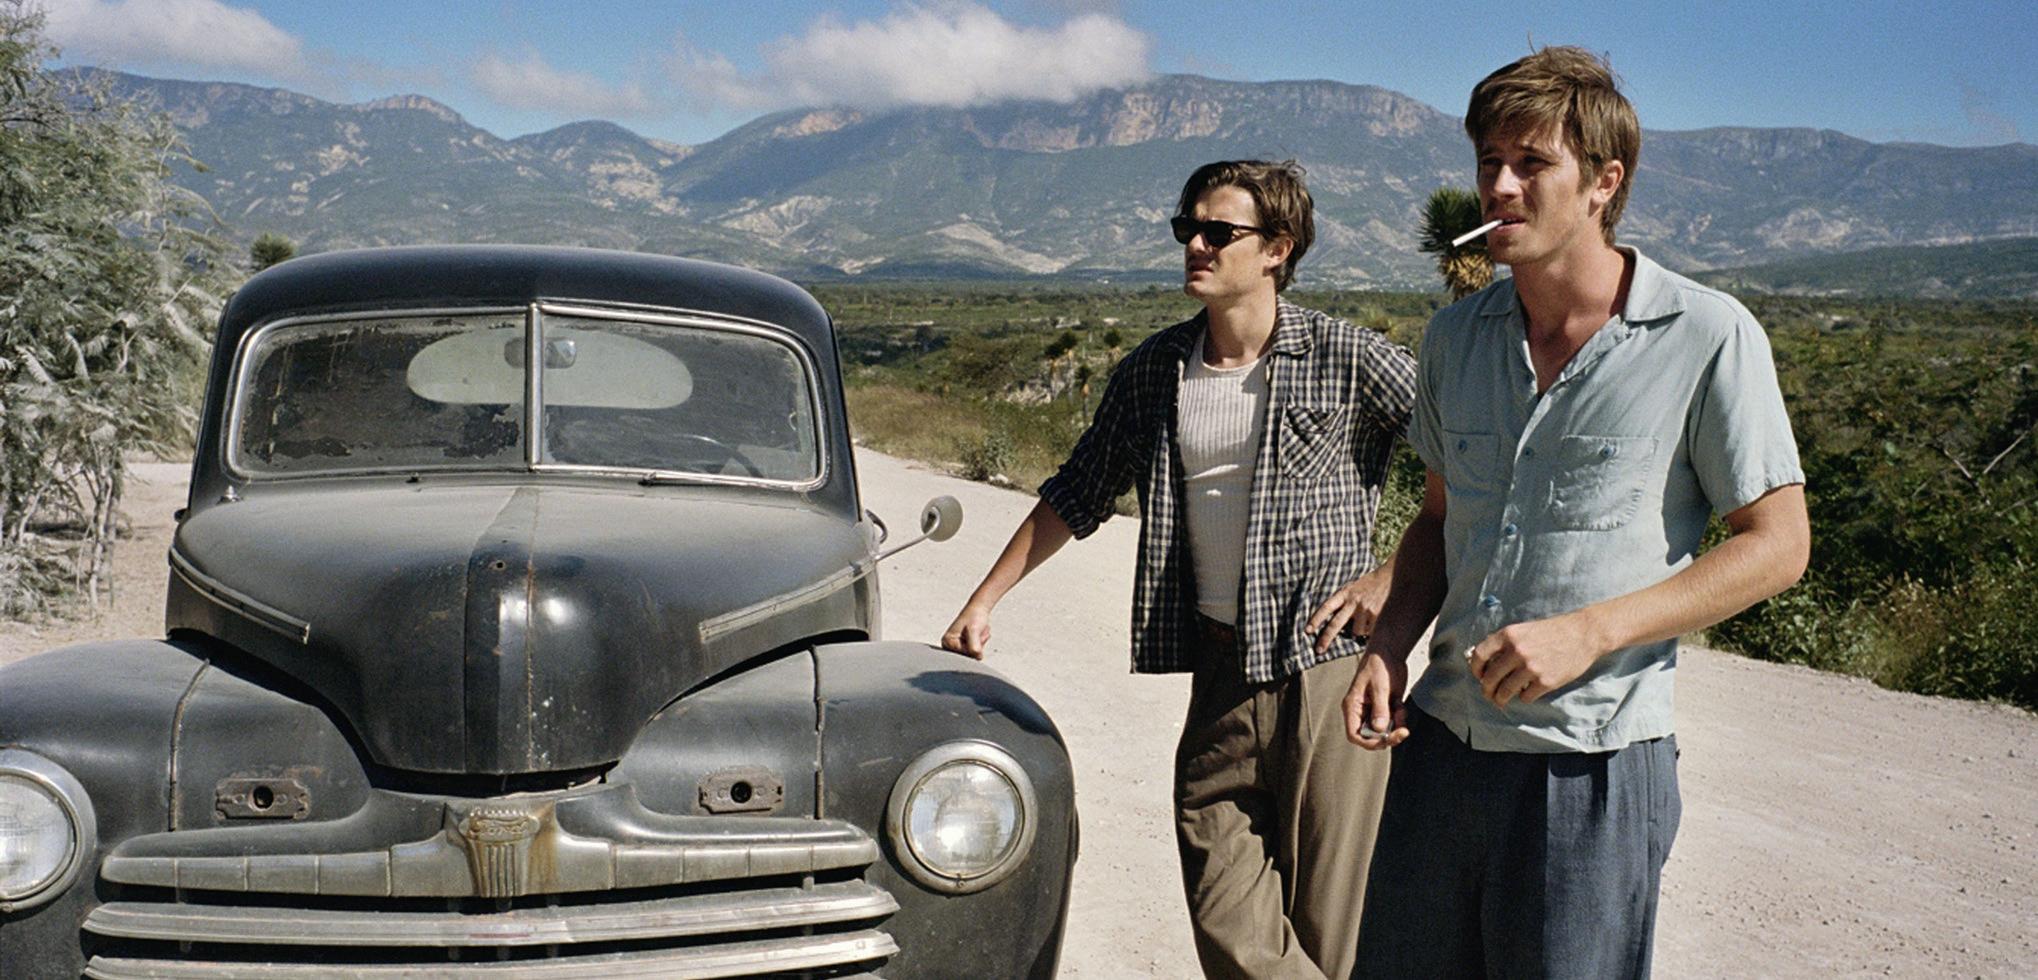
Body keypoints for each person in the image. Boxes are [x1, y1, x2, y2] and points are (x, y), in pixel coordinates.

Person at [1343, 47, 1811, 978]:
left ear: (1605, 182)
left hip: (1590, 765)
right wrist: (1389, 644)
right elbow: (1437, 522)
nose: (1499, 187)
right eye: (1489, 162)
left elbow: (1779, 545)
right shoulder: (1455, 338)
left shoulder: (1706, 335)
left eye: (1532, 163)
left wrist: (1591, 632)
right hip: (1441, 748)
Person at [942, 159, 1416, 979]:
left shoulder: (1347, 355)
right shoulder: (1156, 369)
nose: (1196, 244)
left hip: (1327, 668)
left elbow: (1470, 464)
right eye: (1187, 229)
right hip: (1220, 669)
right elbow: (1079, 489)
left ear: (1277, 249)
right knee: (1223, 901)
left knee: (1330, 928)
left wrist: (1392, 578)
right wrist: (984, 599)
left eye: (1218, 232)